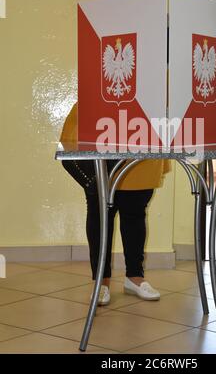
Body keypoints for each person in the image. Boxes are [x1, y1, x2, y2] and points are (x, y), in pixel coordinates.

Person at [60, 102, 171, 305]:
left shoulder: (151, 79)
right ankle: (101, 281)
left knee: (135, 214)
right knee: (100, 217)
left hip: (141, 133)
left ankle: (135, 278)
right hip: (100, 128)